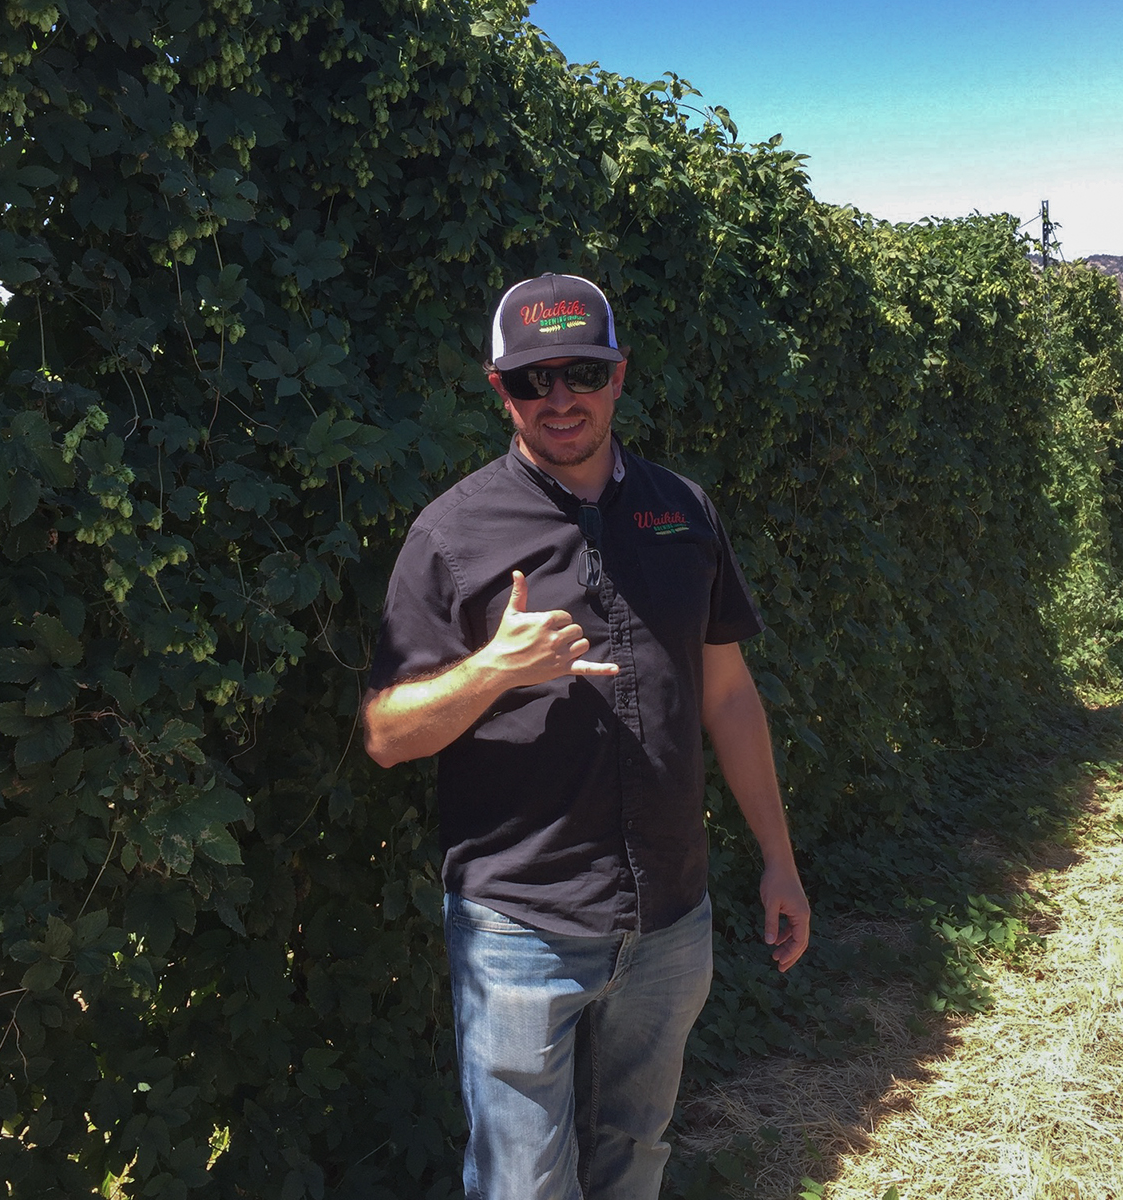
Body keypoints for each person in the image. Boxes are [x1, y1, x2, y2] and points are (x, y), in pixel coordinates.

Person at [362, 272, 810, 1200]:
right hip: (519, 926)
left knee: (635, 1160)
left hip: (670, 918)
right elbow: (385, 734)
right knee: (523, 1183)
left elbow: (727, 692)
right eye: (533, 380)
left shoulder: (682, 511)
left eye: (581, 371)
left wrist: (778, 855)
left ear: (618, 374)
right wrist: (493, 670)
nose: (559, 398)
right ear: (500, 390)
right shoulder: (451, 535)